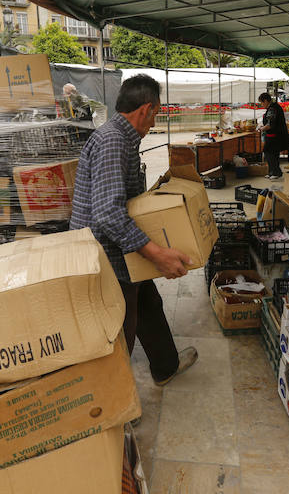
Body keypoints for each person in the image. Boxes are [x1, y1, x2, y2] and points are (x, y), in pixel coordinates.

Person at [70, 74, 198, 386]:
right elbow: (109, 215)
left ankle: (165, 366)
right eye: (155, 114)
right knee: (120, 331)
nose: (154, 123)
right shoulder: (114, 141)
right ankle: (116, 411)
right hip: (104, 255)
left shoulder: (121, 138)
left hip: (118, 250)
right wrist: (157, 254)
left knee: (147, 302)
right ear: (145, 110)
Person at [257, 92, 289, 180]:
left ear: (266, 101)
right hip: (275, 135)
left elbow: (270, 125)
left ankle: (276, 172)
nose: (261, 104)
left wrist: (261, 129)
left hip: (275, 135)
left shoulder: (272, 109)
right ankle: (273, 172)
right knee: (272, 153)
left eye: (262, 102)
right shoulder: (274, 107)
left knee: (269, 152)